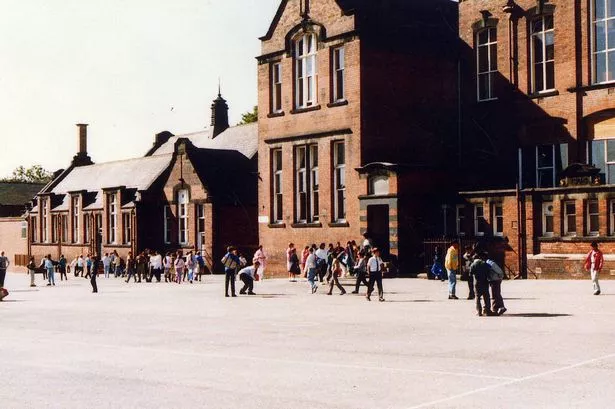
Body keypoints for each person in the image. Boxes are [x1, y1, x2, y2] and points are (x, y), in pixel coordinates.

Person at [470, 252, 494, 316]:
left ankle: (479, 311)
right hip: (485, 282)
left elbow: (470, 273)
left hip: (477, 282)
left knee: (477, 297)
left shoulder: (473, 264)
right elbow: (490, 272)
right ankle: (487, 311)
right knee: (486, 297)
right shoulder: (486, 264)